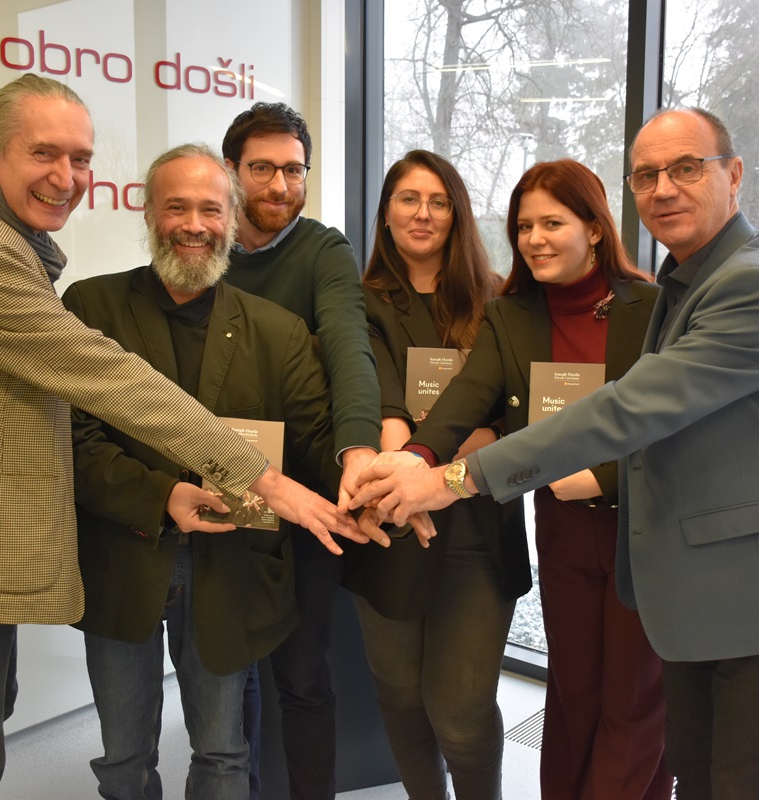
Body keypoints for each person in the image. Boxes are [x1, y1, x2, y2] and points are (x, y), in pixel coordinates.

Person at [0, 75, 365, 800]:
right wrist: (260, 479)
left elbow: (326, 390)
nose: (65, 178)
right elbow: (110, 384)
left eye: (81, 158)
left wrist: (364, 459)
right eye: (44, 154)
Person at [351, 108, 759, 800]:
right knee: (687, 770)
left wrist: (454, 480)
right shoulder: (684, 281)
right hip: (682, 574)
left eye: (684, 169)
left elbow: (627, 412)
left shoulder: (750, 284)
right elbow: (472, 395)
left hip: (755, 592)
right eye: (645, 175)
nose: (663, 189)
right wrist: (417, 453)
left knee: (730, 777)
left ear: (731, 175)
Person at [64, 143, 344, 800]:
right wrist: (161, 495)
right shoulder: (90, 308)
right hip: (122, 559)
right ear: (148, 212)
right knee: (123, 760)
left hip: (233, 568)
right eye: (176, 207)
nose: (194, 225)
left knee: (222, 751)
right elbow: (70, 440)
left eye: (210, 209)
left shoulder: (274, 331)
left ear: (233, 216)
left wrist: (388, 462)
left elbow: (316, 440)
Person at [342, 150, 532, 800]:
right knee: (398, 694)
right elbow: (378, 401)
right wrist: (407, 480)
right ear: (385, 213)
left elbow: (514, 417)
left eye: (438, 200)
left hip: (477, 527)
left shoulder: (497, 302)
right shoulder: (357, 303)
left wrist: (429, 467)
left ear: (456, 214)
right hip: (388, 523)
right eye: (407, 198)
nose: (422, 213)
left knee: (460, 707)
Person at [221, 102, 382, 800]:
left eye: (293, 170)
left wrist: (356, 451)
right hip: (224, 486)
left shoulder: (322, 249)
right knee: (226, 677)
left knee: (304, 673)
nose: (280, 186)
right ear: (232, 171)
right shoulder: (201, 245)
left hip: (308, 492)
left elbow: (348, 346)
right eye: (262, 168)